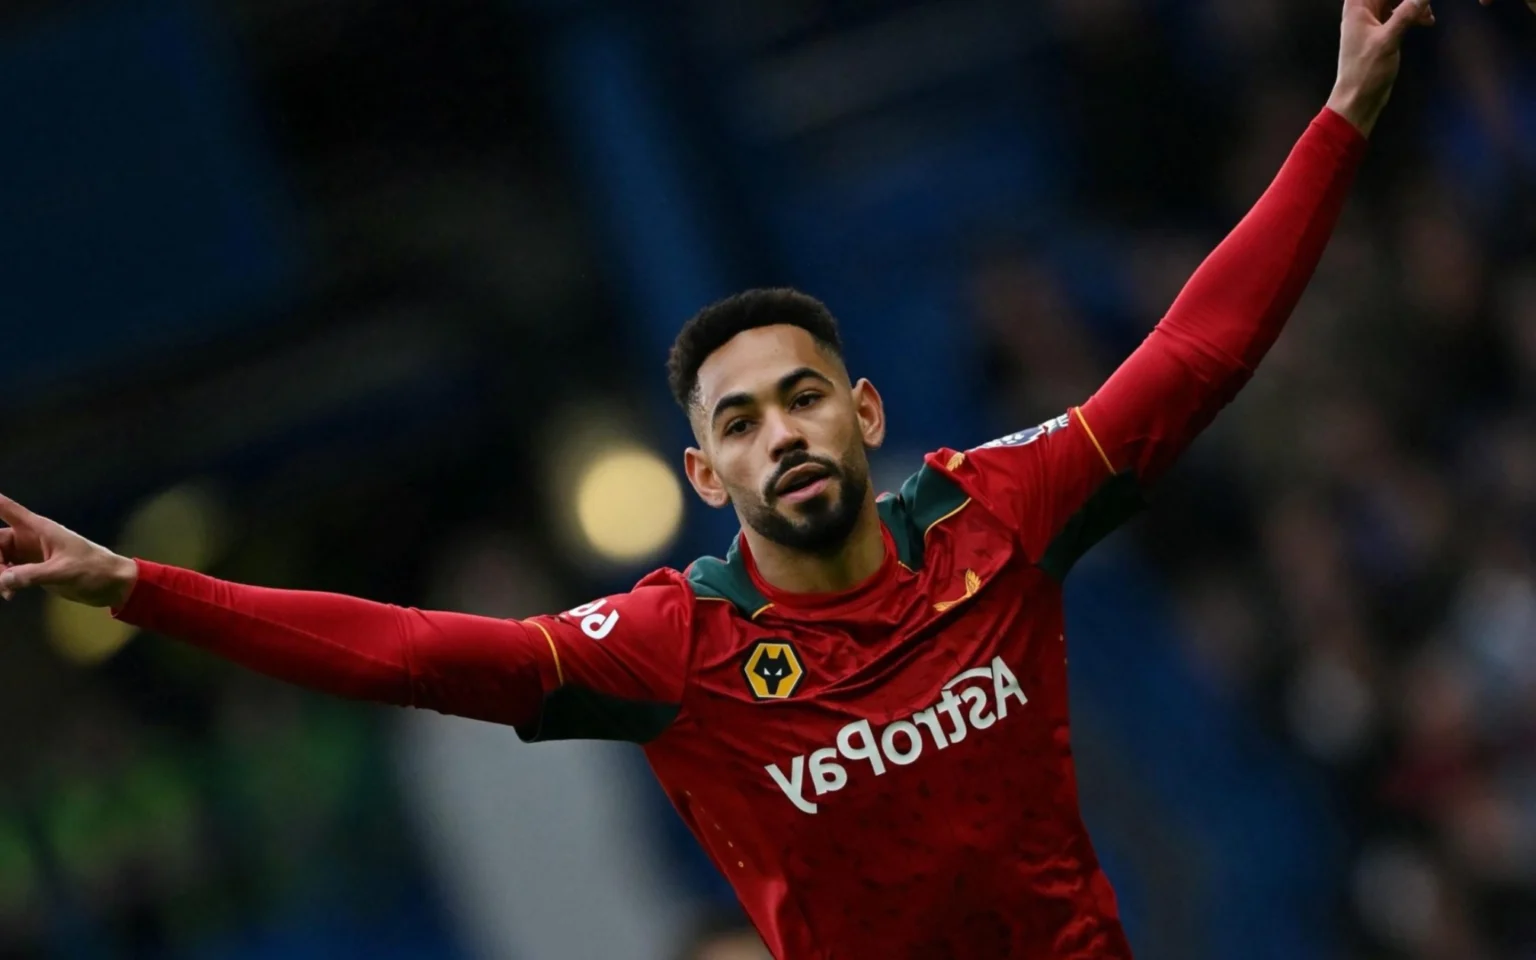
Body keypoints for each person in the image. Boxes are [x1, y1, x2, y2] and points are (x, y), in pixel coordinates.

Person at [1, 2, 1522, 957]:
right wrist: (139, 587)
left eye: (804, 397)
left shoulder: (997, 511)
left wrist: (1337, 124)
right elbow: (406, 653)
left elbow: (1193, 359)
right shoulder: (671, 651)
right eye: (743, 421)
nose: (782, 432)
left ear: (863, 414)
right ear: (705, 468)